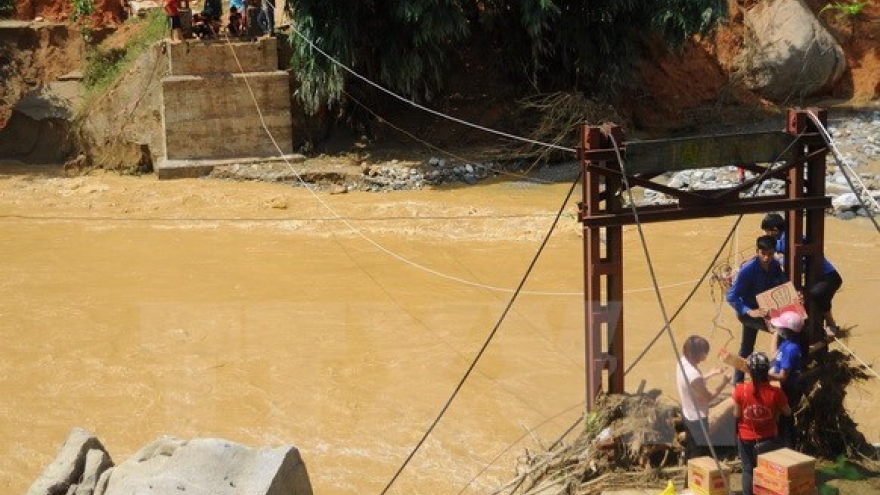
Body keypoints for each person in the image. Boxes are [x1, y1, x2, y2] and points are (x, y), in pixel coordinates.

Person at [761, 213, 843, 337]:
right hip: (824, 277)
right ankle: (829, 327)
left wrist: (779, 259)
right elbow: (771, 251)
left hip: (829, 277)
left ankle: (813, 330)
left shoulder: (788, 240)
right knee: (821, 301)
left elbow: (795, 260)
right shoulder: (785, 238)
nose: (767, 235)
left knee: (807, 297)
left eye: (767, 232)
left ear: (775, 230)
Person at [726, 235, 788, 383]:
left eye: (770, 254)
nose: (766, 258)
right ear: (757, 251)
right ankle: (776, 373)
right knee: (781, 332)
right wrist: (749, 311)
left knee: (746, 346)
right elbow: (731, 296)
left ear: (774, 253)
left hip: (764, 310)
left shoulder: (774, 265)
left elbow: (783, 283)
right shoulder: (747, 271)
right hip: (748, 313)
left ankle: (737, 381)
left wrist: (795, 293)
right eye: (763, 253)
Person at [733, 351, 791, 495]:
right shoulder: (776, 392)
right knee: (768, 472)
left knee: (747, 470)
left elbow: (736, 414)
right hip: (769, 438)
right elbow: (788, 412)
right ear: (767, 371)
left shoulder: (740, 390)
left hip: (745, 438)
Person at [676, 335, 732, 463]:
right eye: (704, 354)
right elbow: (708, 397)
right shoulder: (693, 374)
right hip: (697, 421)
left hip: (687, 413)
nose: (705, 357)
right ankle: (691, 481)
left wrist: (711, 374)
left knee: (691, 449)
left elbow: (691, 384)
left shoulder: (682, 361)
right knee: (699, 457)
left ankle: (688, 476)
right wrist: (724, 382)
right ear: (695, 353)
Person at [768, 310, 805, 448]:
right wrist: (775, 334)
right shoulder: (787, 343)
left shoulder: (791, 350)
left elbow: (783, 377)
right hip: (780, 386)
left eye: (781, 328)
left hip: (786, 389)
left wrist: (763, 376)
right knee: (780, 420)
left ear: (787, 330)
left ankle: (788, 448)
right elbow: (774, 355)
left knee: (785, 421)